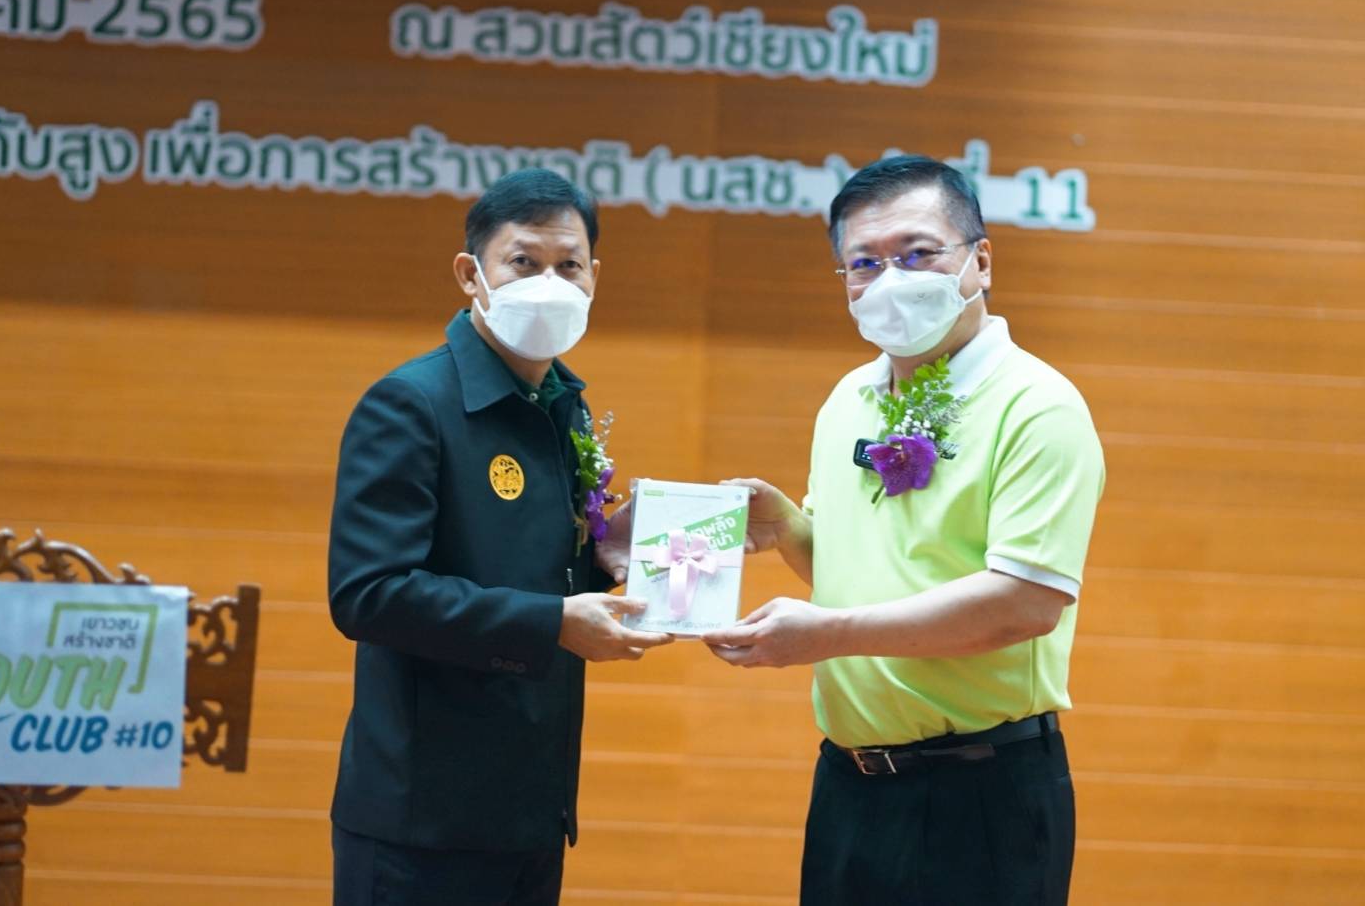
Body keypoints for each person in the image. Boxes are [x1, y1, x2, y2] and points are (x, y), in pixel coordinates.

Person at [705, 155, 1104, 905]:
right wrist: (788, 528)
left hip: (979, 793)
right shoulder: (849, 397)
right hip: (850, 781)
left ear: (980, 261)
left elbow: (1024, 604)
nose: (890, 279)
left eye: (917, 253)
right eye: (864, 263)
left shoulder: (1036, 405)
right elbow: (858, 572)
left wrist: (826, 635)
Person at [327, 168, 670, 906]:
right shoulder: (411, 404)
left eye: (568, 265)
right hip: (422, 822)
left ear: (595, 277)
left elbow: (533, 570)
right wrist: (552, 623)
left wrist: (608, 555)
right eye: (523, 262)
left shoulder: (563, 405)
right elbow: (368, 594)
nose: (549, 283)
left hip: (530, 810)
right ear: (470, 274)